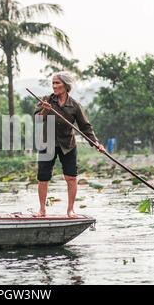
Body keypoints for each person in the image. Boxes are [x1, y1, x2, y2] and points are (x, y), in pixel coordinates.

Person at [33, 71, 106, 218]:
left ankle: (70, 210)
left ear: (66, 86)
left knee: (71, 177)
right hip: (47, 144)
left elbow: (85, 127)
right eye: (53, 83)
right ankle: (42, 210)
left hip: (68, 145)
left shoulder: (74, 106)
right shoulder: (46, 100)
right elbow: (37, 120)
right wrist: (45, 112)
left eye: (57, 83)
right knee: (43, 178)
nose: (54, 86)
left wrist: (96, 143)